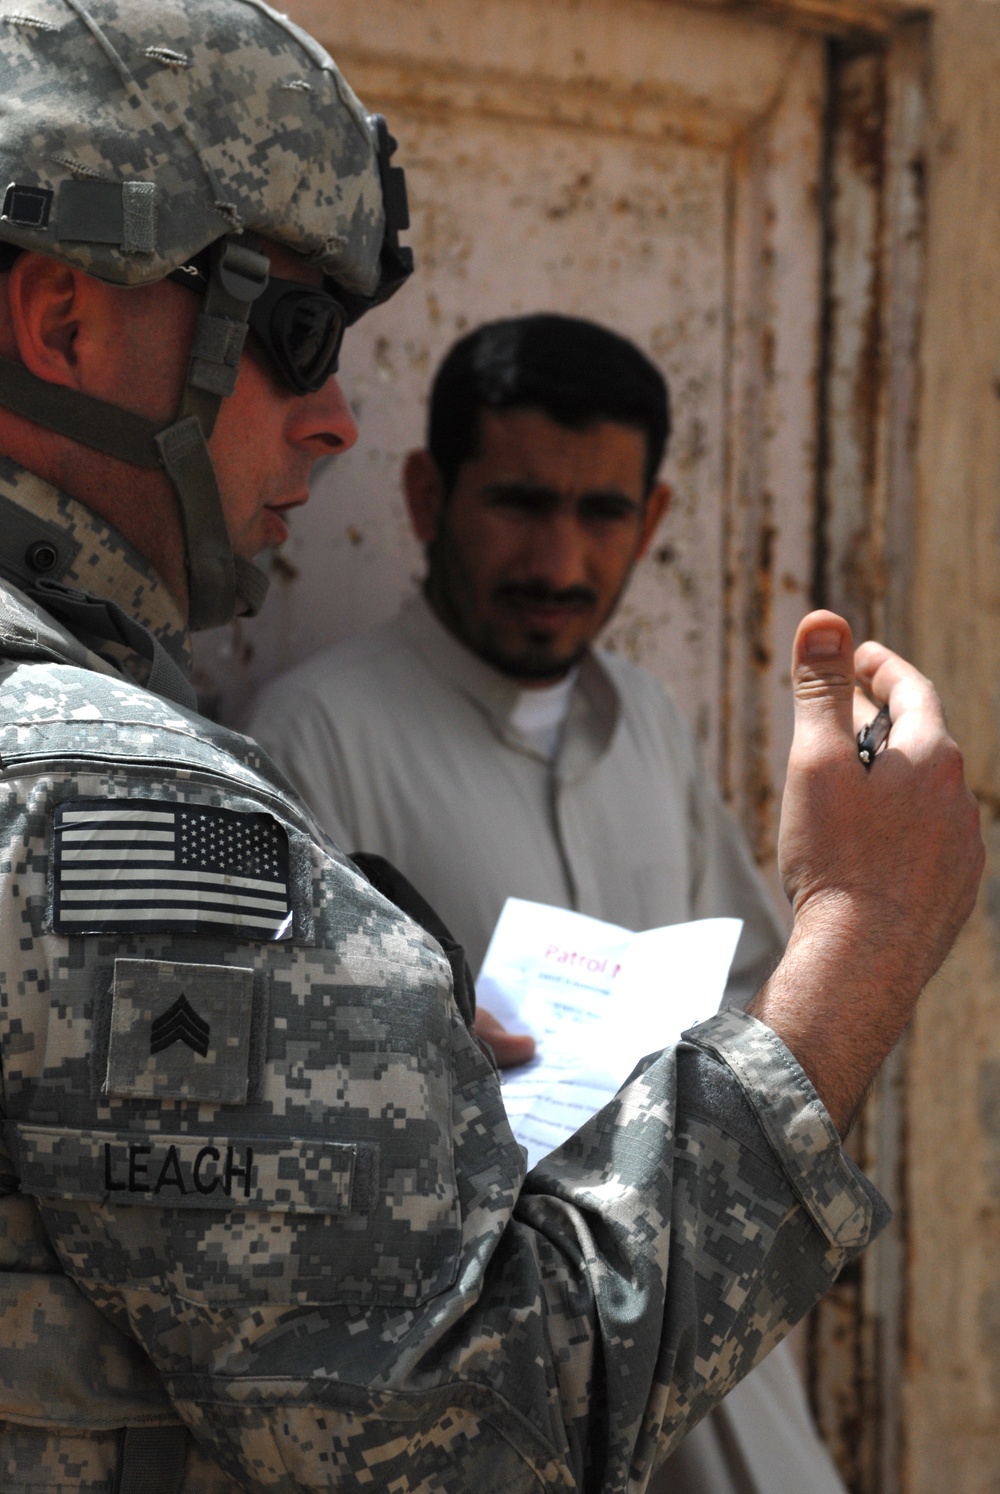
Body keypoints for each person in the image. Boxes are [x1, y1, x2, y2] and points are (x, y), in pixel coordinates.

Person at [0, 6, 982, 1494]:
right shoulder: (115, 793)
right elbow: (469, 1427)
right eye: (293, 334)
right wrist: (870, 935)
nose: (329, 417)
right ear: (64, 319)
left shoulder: (639, 721)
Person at [244, 315, 838, 1494]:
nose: (559, 562)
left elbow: (754, 1001)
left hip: (718, 1369)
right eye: (518, 502)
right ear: (425, 495)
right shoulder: (314, 738)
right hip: (510, 1383)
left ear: (652, 520)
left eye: (602, 514)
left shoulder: (649, 725)